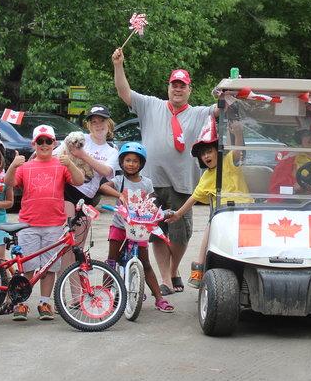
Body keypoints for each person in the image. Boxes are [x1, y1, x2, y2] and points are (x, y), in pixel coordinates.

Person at [112, 48, 214, 295]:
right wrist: (118, 65)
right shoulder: (150, 105)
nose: (177, 89)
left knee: (181, 234)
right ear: (168, 87)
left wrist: (230, 90)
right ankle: (166, 280)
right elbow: (124, 92)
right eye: (174, 85)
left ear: (189, 90)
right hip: (152, 183)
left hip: (183, 183)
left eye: (182, 86)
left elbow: (221, 109)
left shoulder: (199, 113)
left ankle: (174, 269)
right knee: (156, 232)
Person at [3, 124, 85, 321]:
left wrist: (70, 164)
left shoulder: (61, 164)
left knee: (49, 267)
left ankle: (45, 302)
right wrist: (13, 165)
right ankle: (21, 303)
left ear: (54, 143)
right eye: (40, 141)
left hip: (54, 224)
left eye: (48, 141)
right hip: (28, 224)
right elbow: (8, 182)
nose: (44, 144)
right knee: (27, 266)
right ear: (34, 144)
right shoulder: (26, 166)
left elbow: (79, 180)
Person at [167, 118, 251, 288]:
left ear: (217, 151)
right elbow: (194, 197)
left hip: (244, 210)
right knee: (211, 225)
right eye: (203, 154)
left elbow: (237, 151)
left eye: (209, 151)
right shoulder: (206, 176)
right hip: (223, 213)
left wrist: (238, 133)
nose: (206, 156)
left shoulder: (228, 161)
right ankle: (199, 265)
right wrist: (178, 214)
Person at [98, 142, 174, 312]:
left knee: (145, 263)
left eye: (135, 161)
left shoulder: (146, 183)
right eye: (127, 160)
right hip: (120, 226)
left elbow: (152, 201)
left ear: (141, 164)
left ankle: (159, 299)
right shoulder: (119, 180)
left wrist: (157, 211)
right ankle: (105, 296)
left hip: (140, 229)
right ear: (121, 162)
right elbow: (103, 187)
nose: (131, 164)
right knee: (111, 261)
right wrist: (119, 195)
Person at [62, 104, 119, 208]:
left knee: (77, 219)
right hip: (66, 186)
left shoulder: (112, 150)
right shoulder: (80, 137)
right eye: (94, 122)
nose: (98, 125)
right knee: (64, 217)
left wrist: (83, 155)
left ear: (109, 123)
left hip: (86, 195)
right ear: (89, 125)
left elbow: (106, 171)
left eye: (102, 120)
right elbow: (58, 153)